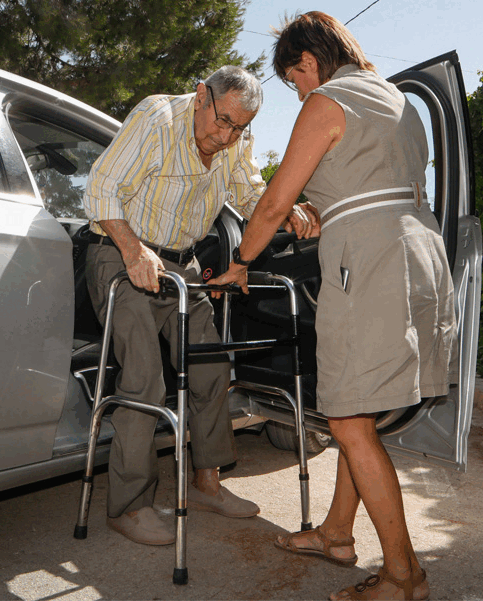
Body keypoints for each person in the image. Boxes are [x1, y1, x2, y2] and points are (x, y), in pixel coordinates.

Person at [209, 12, 456, 601]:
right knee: (360, 410)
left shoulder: (327, 101)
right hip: (422, 252)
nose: (299, 92)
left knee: (346, 419)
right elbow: (371, 187)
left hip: (371, 265)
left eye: (295, 79)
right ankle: (337, 534)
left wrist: (240, 262)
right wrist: (328, 211)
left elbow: (274, 204)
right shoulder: (398, 100)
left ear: (309, 61)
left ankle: (404, 577)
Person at [81, 65, 317, 547]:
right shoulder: (157, 117)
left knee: (211, 368)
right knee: (144, 375)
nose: (225, 135)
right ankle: (129, 506)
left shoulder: (235, 142)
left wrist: (286, 210)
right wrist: (133, 250)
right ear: (200, 95)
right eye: (222, 120)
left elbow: (250, 195)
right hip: (121, 255)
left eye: (239, 128)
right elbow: (100, 190)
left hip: (181, 266)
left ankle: (207, 484)